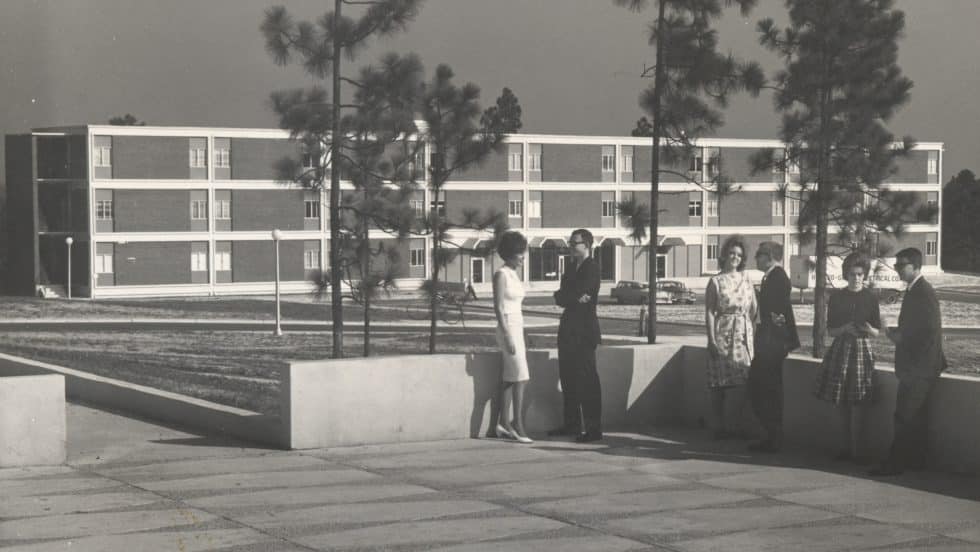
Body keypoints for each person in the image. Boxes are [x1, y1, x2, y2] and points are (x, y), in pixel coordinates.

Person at [870, 247, 947, 476]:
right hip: (921, 367)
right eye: (896, 265)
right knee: (915, 417)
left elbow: (929, 331)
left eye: (901, 265)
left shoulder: (923, 292)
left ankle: (895, 464)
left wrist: (899, 338)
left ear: (916, 266)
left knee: (904, 416)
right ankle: (916, 461)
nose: (897, 269)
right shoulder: (916, 291)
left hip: (919, 368)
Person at [813, 252, 880, 463]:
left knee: (859, 401)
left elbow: (878, 331)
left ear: (865, 275)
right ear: (846, 275)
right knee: (841, 402)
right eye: (852, 274)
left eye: (860, 274)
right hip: (841, 350)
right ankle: (844, 448)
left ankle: (858, 450)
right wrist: (844, 329)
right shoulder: (837, 297)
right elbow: (830, 330)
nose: (857, 278)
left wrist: (870, 329)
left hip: (862, 350)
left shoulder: (870, 297)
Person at [549, 228, 603, 443]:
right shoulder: (570, 268)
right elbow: (562, 297)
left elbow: (583, 295)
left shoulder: (593, 268)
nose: (571, 247)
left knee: (588, 380)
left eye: (575, 243)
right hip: (568, 329)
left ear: (587, 245)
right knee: (568, 378)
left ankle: (593, 429)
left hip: (585, 331)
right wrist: (570, 296)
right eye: (570, 243)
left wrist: (568, 296)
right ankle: (571, 424)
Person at [747, 241, 800, 453]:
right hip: (771, 343)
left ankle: (774, 436)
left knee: (764, 390)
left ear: (769, 256)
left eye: (759, 255)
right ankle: (772, 436)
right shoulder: (772, 277)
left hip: (772, 344)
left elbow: (777, 314)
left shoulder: (777, 278)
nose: (756, 259)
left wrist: (774, 339)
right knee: (765, 389)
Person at [705, 235, 757, 440]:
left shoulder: (747, 280)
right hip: (722, 332)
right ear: (725, 255)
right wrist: (711, 339)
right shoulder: (715, 281)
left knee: (742, 382)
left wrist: (752, 334)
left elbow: (754, 310)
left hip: (743, 336)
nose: (735, 257)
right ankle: (719, 427)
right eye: (731, 253)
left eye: (739, 255)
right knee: (719, 385)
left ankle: (737, 425)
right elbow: (709, 311)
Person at [492, 231, 532, 444]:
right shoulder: (501, 274)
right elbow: (498, 307)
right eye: (519, 254)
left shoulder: (515, 274)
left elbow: (516, 306)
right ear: (509, 254)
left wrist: (522, 332)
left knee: (510, 377)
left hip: (517, 325)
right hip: (507, 327)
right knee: (522, 376)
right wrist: (507, 335)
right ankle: (517, 424)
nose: (523, 257)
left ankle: (502, 423)